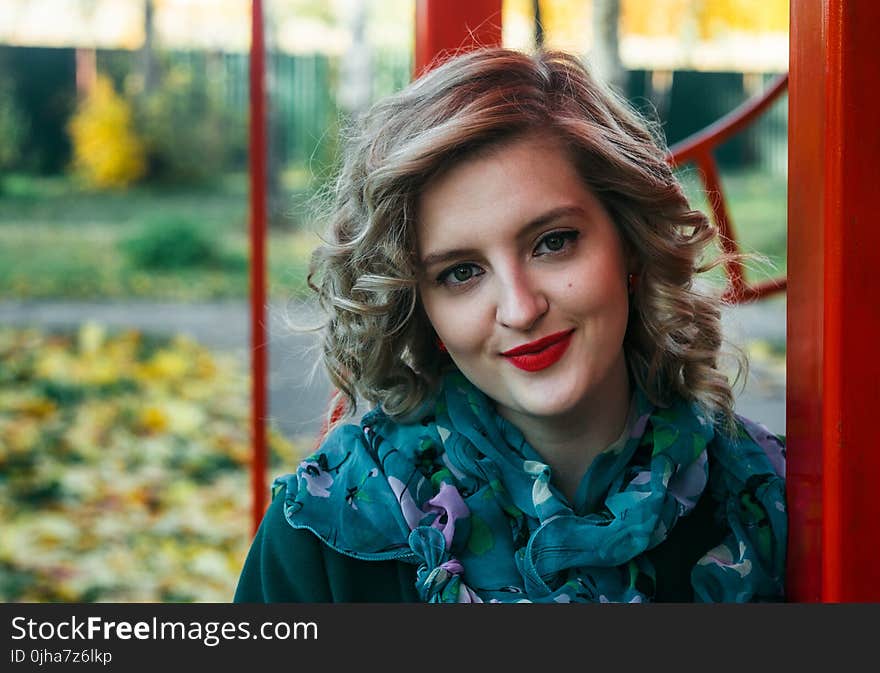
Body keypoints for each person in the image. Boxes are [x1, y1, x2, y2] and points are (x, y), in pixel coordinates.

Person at [234, 48, 786, 604]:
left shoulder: (779, 502)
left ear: (632, 243)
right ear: (418, 306)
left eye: (553, 243)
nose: (520, 309)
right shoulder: (319, 539)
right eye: (461, 273)